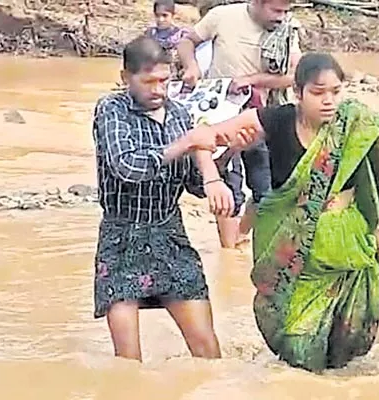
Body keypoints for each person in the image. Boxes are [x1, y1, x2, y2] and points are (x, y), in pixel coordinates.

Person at [197, 53, 379, 372]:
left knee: (347, 343)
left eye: (336, 92)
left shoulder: (356, 122)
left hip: (345, 244)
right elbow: (205, 134)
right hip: (288, 245)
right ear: (298, 92)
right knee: (295, 342)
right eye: (318, 92)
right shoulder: (277, 120)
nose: (329, 101)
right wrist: (218, 168)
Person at [91, 36, 252, 361]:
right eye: (148, 81)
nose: (158, 89)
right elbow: (127, 166)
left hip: (170, 236)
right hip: (122, 238)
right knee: (128, 363)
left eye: (164, 80)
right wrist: (187, 143)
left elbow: (193, 182)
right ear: (126, 78)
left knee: (209, 354)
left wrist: (229, 152)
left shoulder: (179, 114)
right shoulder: (111, 109)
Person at [176, 0, 302, 248]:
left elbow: (294, 77)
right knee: (227, 184)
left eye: (286, 11)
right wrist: (191, 67)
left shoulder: (288, 29)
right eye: (276, 10)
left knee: (266, 190)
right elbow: (186, 41)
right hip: (221, 115)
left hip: (262, 119)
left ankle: (241, 234)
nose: (282, 16)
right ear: (257, 2)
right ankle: (228, 249)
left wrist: (252, 79)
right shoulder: (222, 16)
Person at [145, 0, 212, 77]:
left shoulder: (181, 34)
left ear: (173, 15)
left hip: (175, 77)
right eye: (157, 15)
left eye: (165, 15)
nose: (161, 19)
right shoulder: (150, 34)